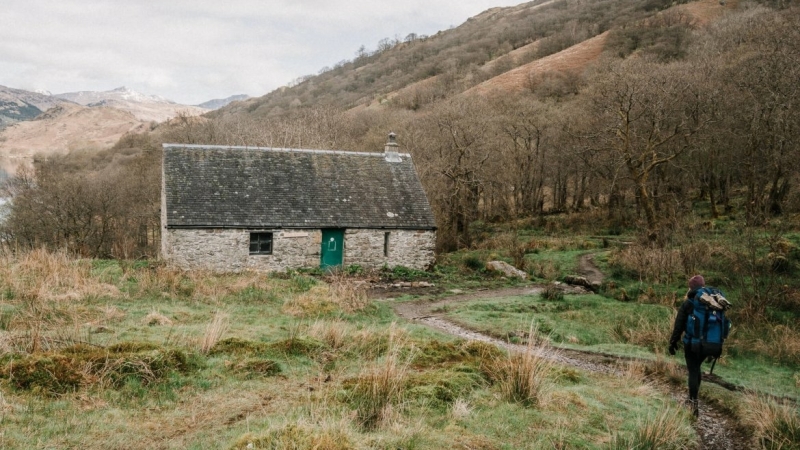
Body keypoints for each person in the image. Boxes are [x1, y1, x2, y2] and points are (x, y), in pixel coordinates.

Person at [668, 274, 708, 418]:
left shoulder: (689, 303)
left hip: (692, 344)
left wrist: (673, 342)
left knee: (693, 370)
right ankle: (693, 399)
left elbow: (678, 325)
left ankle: (693, 403)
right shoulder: (710, 301)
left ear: (690, 287)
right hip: (708, 344)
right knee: (697, 368)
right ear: (703, 286)